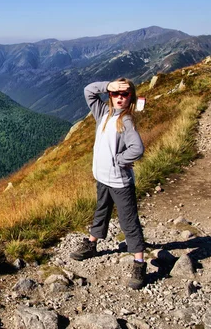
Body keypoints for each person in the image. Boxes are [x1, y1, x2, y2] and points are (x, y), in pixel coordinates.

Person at [70, 78, 146, 290]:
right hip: (102, 177)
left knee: (128, 221)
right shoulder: (102, 112)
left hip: (120, 182)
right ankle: (92, 244)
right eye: (115, 94)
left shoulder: (126, 120)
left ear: (131, 97)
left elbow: (137, 149)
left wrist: (119, 160)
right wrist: (109, 85)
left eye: (125, 94)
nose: (120, 98)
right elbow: (88, 90)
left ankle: (139, 263)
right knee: (101, 212)